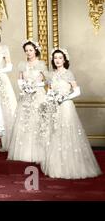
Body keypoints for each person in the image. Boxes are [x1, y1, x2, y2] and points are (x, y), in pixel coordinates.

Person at [40, 49, 102, 179]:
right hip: (54, 107)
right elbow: (49, 91)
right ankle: (56, 166)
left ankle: (70, 165)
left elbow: (77, 91)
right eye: (55, 58)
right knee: (55, 133)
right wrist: (49, 100)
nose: (57, 60)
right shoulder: (51, 75)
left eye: (60, 58)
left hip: (66, 106)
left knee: (66, 133)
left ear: (64, 60)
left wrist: (64, 98)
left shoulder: (68, 74)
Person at [8, 40, 47, 163]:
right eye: (26, 51)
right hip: (26, 95)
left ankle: (40, 153)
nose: (28, 52)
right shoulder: (22, 65)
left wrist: (36, 86)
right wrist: (25, 88)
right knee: (25, 122)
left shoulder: (41, 64)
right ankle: (24, 153)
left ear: (35, 50)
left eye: (30, 50)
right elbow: (19, 80)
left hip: (38, 95)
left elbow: (47, 81)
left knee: (37, 122)